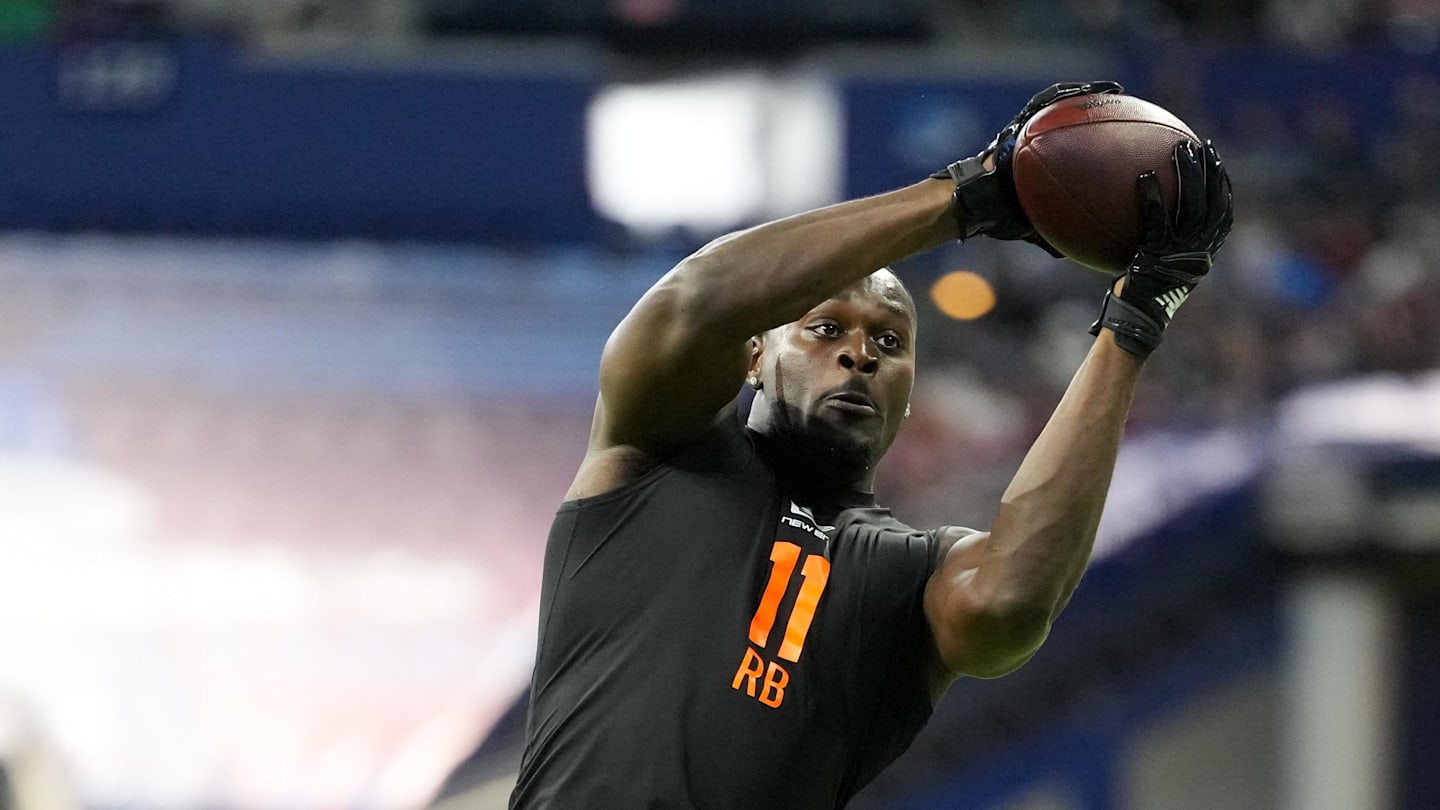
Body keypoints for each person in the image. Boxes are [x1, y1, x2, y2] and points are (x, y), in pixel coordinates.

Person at [508, 82, 1233, 809]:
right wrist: (969, 194)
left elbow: (1009, 605)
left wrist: (1134, 322)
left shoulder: (905, 573)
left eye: (889, 342)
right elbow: (695, 305)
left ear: (911, 393)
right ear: (754, 356)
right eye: (827, 329)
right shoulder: (661, 454)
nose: (861, 354)